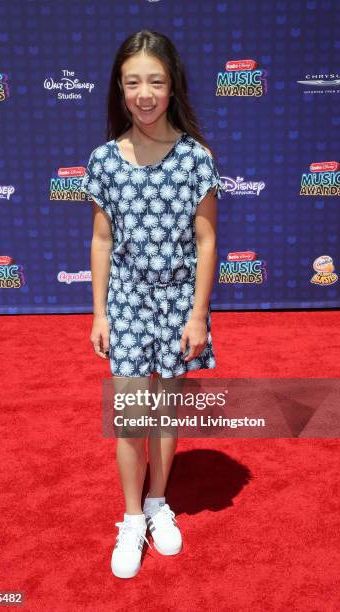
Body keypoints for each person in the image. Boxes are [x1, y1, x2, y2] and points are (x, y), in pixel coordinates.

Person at [80, 29, 225, 579]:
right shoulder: (103, 161)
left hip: (178, 303)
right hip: (125, 302)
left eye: (155, 82)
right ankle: (132, 516)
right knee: (129, 416)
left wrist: (197, 315)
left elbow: (207, 241)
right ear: (119, 88)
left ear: (172, 87)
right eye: (133, 81)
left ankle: (160, 503)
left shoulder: (195, 160)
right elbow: (102, 241)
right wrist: (98, 312)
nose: (145, 93)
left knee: (163, 410)